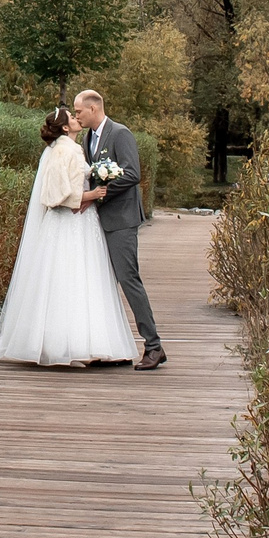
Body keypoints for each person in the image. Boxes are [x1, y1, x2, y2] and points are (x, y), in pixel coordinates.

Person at [0, 105, 142, 367]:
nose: (77, 118)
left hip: (83, 224)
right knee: (67, 280)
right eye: (72, 116)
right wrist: (91, 195)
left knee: (84, 280)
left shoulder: (75, 147)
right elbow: (54, 195)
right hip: (68, 224)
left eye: (77, 113)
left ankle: (87, 343)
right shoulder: (62, 151)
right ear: (65, 127)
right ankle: (66, 345)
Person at [76, 88, 166, 369]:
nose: (77, 116)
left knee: (128, 279)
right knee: (102, 282)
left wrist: (101, 193)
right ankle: (109, 348)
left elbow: (132, 173)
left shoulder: (120, 133)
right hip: (97, 221)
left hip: (122, 219)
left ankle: (154, 346)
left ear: (93, 109)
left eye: (79, 111)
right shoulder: (88, 138)